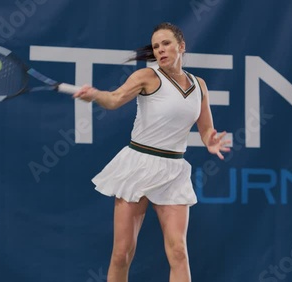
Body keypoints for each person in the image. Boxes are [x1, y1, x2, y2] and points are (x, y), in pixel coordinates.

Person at [73, 22, 230, 282]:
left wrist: (210, 139)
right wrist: (96, 95)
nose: (160, 50)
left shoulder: (199, 85)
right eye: (156, 46)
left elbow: (205, 128)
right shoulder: (146, 77)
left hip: (174, 169)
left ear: (181, 46)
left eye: (166, 44)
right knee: (122, 253)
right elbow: (113, 100)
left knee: (179, 251)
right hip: (139, 165)